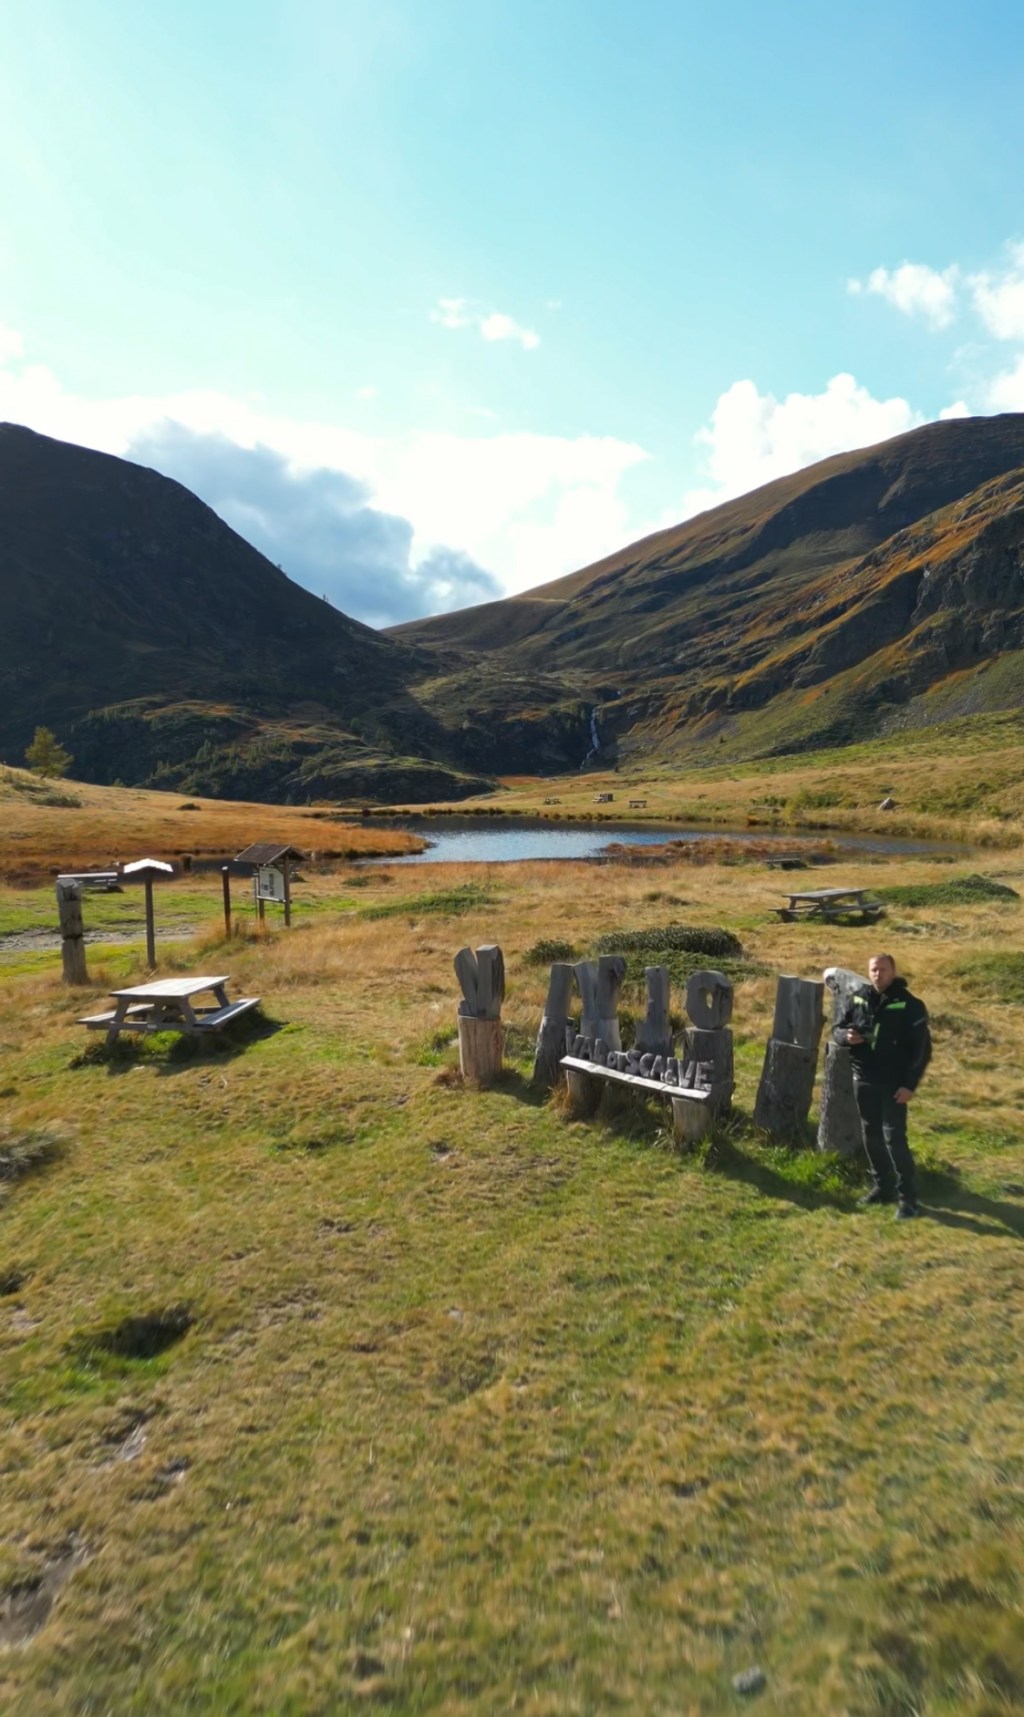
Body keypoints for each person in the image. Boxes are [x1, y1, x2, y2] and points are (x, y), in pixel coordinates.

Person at [834, 952, 931, 1219]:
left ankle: (908, 1199)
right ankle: (882, 1187)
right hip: (863, 1078)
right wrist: (846, 1037)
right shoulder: (857, 997)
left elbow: (922, 1050)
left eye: (884, 970)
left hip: (894, 1084)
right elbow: (837, 1029)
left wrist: (909, 1085)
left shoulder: (910, 1004)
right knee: (871, 1136)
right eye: (874, 970)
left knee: (894, 1139)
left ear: (893, 971)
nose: (878, 974)